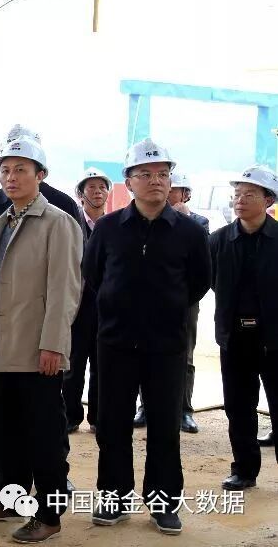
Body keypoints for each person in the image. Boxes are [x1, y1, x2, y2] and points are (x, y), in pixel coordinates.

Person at [84, 138, 210, 536]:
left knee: (164, 426)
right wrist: (120, 307)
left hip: (166, 345)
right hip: (116, 343)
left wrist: (166, 309)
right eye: (145, 174)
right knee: (112, 424)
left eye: (162, 174)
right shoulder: (108, 228)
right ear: (129, 182)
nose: (156, 180)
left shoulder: (189, 232)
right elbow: (93, 275)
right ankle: (114, 497)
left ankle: (163, 502)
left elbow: (199, 282)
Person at [0, 137, 82, 544]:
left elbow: (65, 289)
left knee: (43, 433)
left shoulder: (58, 223)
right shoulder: (2, 220)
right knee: (6, 428)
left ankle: (49, 514)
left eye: (21, 170)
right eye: (5, 170)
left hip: (37, 348)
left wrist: (54, 344)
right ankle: (10, 499)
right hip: (2, 345)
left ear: (40, 176)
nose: (10, 177)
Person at [209, 166, 278, 491]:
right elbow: (208, 281)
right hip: (234, 338)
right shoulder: (218, 241)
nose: (240, 200)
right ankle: (245, 470)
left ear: (268, 200)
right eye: (237, 194)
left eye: (250, 194)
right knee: (238, 408)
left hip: (275, 339)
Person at [137, 172, 208, 435]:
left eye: (175, 189)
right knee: (142, 352)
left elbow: (202, 272)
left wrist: (182, 298)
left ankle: (184, 409)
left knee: (184, 355)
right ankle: (145, 407)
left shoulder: (198, 223)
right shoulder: (144, 219)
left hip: (183, 303)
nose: (170, 193)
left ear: (185, 194)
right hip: (147, 302)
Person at [63, 167, 112, 434]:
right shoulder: (71, 225)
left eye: (102, 187)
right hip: (77, 305)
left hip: (106, 306)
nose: (97, 192)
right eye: (91, 187)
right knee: (73, 363)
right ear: (80, 194)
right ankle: (70, 416)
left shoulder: (114, 225)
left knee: (103, 365)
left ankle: (99, 417)